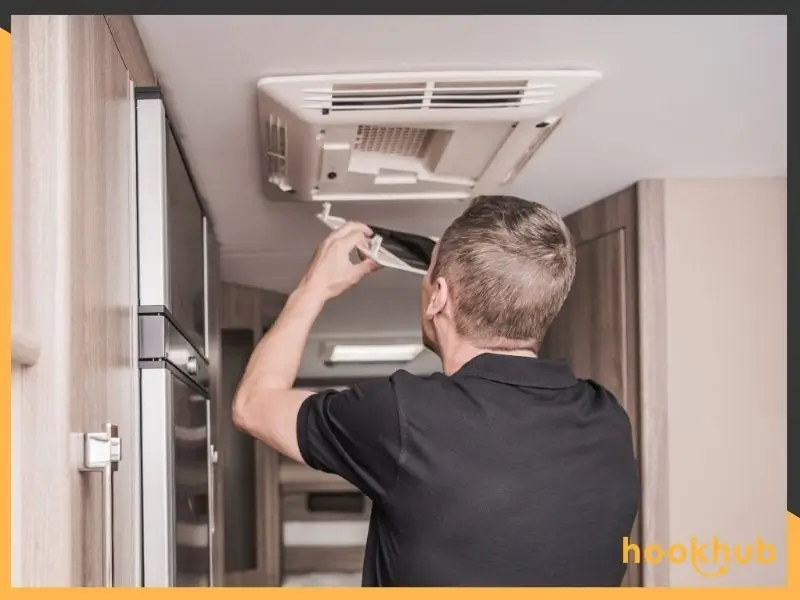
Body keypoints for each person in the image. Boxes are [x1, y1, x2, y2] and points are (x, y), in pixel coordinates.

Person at [232, 195, 640, 587]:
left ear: (440, 297)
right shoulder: (607, 420)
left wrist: (312, 288)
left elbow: (253, 405)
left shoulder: (405, 416)